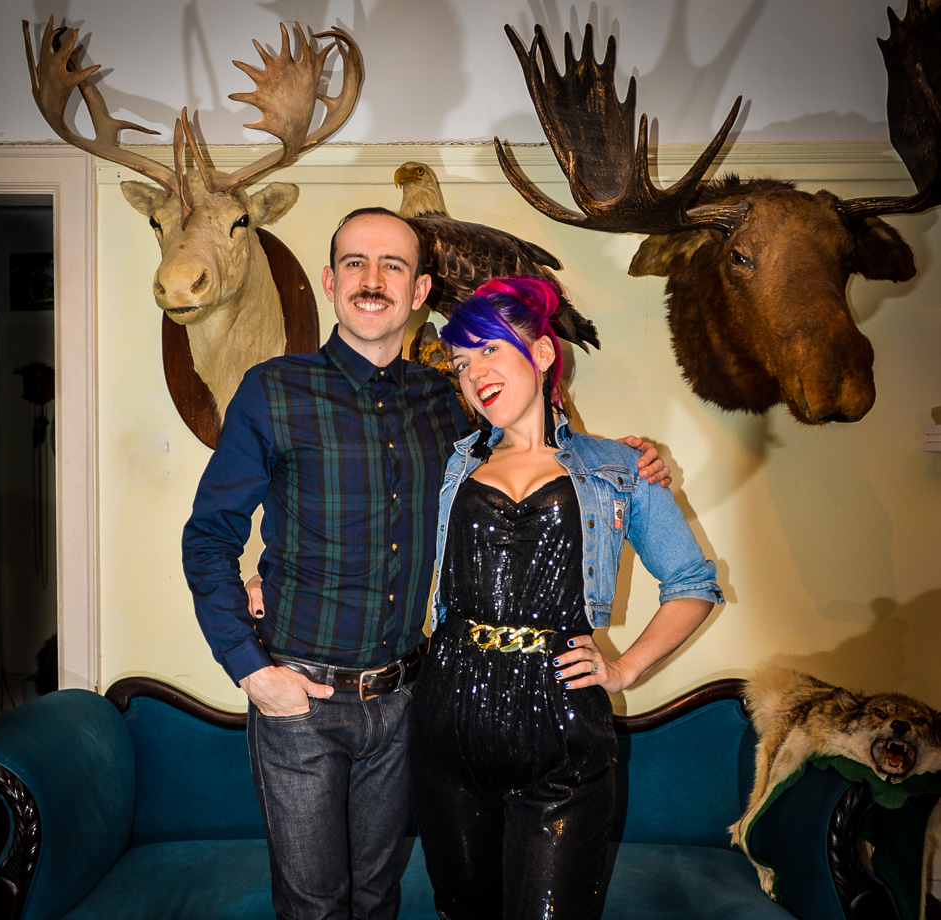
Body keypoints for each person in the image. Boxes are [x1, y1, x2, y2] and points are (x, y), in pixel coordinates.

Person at [182, 209, 672, 920]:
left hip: (409, 702)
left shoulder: (451, 402)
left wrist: (631, 459)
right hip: (299, 704)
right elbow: (208, 537)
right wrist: (250, 669)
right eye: (354, 262)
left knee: (381, 897)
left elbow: (537, 454)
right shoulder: (273, 390)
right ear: (329, 281)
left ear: (420, 293)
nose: (372, 280)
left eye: (393, 266)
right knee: (314, 905)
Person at [409, 276, 724, 920]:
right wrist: (265, 576)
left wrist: (625, 668)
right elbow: (365, 530)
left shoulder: (616, 466)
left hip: (560, 718)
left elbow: (692, 584)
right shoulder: (453, 465)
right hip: (449, 711)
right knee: (462, 909)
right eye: (462, 363)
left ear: (544, 354)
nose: (475, 374)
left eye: (491, 350)